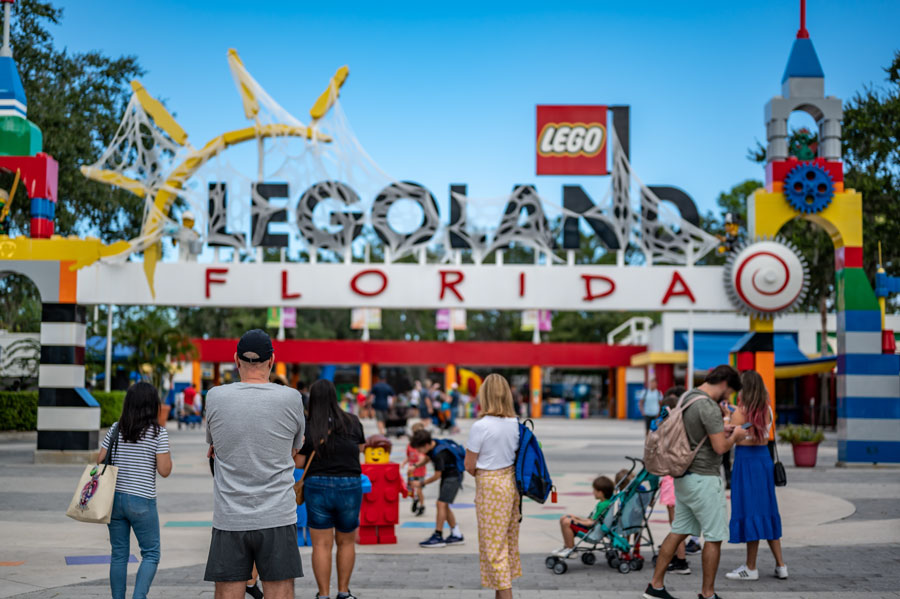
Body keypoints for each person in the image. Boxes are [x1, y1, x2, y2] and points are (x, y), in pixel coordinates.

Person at [204, 329, 305, 599]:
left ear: (236, 360)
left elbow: (213, 446)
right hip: (278, 514)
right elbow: (296, 448)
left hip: (230, 516)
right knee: (281, 591)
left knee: (227, 592)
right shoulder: (291, 398)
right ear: (272, 360)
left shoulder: (215, 396)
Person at [644, 364, 748, 599]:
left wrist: (723, 428)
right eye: (730, 392)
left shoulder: (688, 397)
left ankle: (655, 586)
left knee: (678, 530)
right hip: (704, 479)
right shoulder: (709, 406)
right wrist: (737, 436)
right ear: (724, 384)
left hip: (683, 478)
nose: (729, 397)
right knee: (714, 536)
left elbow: (699, 432)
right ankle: (707, 594)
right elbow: (720, 447)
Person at [98, 382, 173, 599]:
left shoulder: (115, 428)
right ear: (153, 406)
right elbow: (164, 471)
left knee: (119, 554)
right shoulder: (158, 433)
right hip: (142, 501)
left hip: (114, 499)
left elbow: (100, 459)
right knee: (151, 554)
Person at [295, 379, 366, 599]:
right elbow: (361, 449)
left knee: (321, 545)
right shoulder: (352, 421)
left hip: (317, 486)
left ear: (312, 399)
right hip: (349, 484)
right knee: (346, 542)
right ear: (335, 397)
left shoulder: (308, 425)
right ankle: (343, 592)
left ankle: (323, 595)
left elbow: (299, 463)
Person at [725, 370, 788, 581]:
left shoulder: (740, 413)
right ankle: (781, 565)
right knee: (766, 510)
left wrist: (731, 432)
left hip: (746, 463)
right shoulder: (767, 410)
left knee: (750, 510)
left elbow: (737, 440)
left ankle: (750, 568)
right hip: (763, 461)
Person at [464, 373, 521, 598]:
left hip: (490, 486)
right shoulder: (516, 424)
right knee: (506, 543)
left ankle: (506, 595)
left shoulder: (481, 426)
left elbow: (469, 465)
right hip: (511, 483)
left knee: (493, 548)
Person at [657, 386, 691, 576]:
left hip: (670, 481)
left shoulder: (668, 431)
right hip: (678, 479)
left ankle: (681, 560)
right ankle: (681, 557)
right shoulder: (681, 430)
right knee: (679, 522)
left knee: (676, 523)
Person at [411, 428, 464, 547]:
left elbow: (436, 475)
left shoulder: (439, 454)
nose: (419, 452)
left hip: (453, 477)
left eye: (419, 449)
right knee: (444, 505)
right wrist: (415, 466)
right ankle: (456, 534)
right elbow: (427, 457)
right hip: (449, 476)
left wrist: (421, 483)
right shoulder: (434, 443)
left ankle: (438, 536)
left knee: (440, 504)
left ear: (425, 445)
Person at [551, 475, 614, 558]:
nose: (593, 492)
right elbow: (592, 519)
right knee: (564, 518)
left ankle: (570, 550)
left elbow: (592, 522)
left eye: (594, 490)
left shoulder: (603, 505)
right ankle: (567, 546)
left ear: (600, 493)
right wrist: (576, 518)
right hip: (591, 528)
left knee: (566, 522)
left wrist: (578, 521)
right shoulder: (603, 503)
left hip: (592, 531)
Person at [401, 422, 428, 516]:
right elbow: (409, 456)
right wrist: (403, 463)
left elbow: (425, 458)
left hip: (420, 471)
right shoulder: (410, 445)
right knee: (411, 489)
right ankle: (415, 499)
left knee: (419, 489)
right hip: (411, 472)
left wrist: (421, 459)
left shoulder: (424, 445)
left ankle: (422, 505)